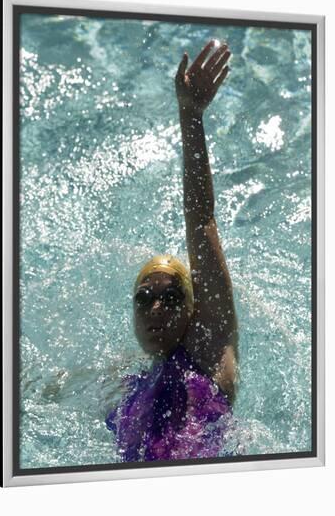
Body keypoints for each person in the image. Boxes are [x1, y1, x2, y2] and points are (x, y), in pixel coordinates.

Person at [106, 40, 238, 462]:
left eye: (172, 296)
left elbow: (200, 217)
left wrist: (191, 115)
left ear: (193, 307)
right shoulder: (129, 385)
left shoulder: (208, 352)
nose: (157, 308)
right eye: (145, 298)